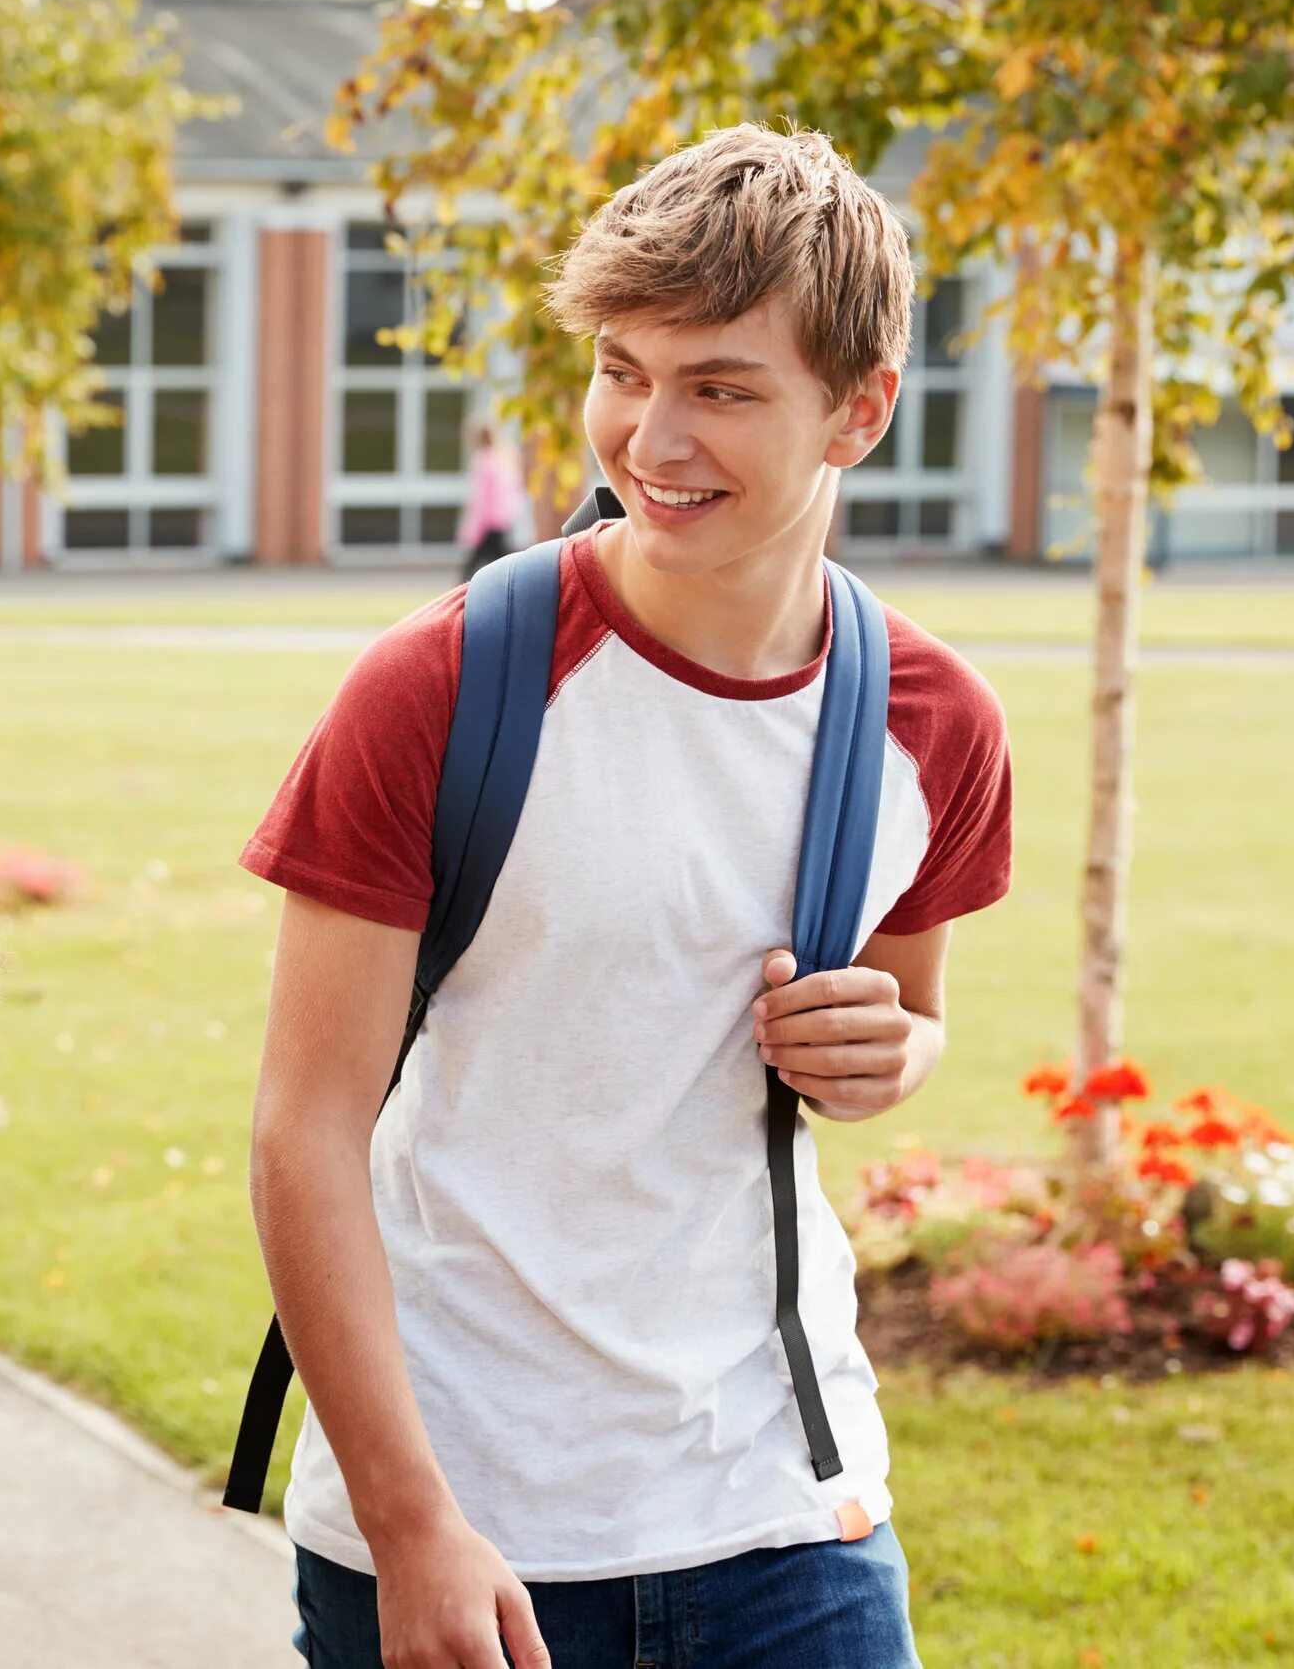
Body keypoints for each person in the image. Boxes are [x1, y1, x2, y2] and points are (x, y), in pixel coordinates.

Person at [241, 126, 1013, 1669]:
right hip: (461, 1521)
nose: (647, 438)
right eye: (621, 371)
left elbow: (915, 1017)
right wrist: (410, 1526)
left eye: (720, 388)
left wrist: (892, 1052)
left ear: (858, 410)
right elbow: (302, 1127)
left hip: (786, 1517)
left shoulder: (931, 719)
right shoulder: (443, 685)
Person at [456, 423, 524, 581]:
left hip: (488, 522)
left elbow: (480, 497)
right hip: (501, 519)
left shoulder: (483, 459)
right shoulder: (502, 458)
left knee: (475, 563)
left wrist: (472, 526)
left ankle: (458, 593)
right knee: (500, 561)